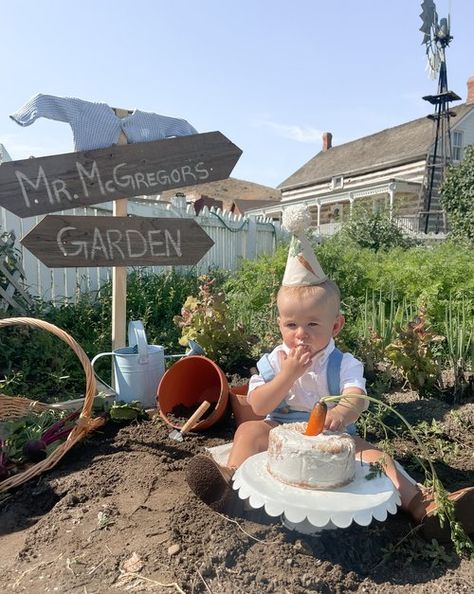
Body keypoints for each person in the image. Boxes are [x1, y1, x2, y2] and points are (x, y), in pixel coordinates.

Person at [186, 206, 474, 543]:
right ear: (279, 323)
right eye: (291, 325)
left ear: (335, 325)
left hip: (335, 437)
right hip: (280, 428)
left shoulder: (343, 362)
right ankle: (228, 482)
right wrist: (287, 375)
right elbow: (259, 403)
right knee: (249, 430)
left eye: (312, 325)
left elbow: (356, 397)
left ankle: (421, 504)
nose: (300, 334)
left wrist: (341, 412)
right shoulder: (276, 359)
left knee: (377, 457)